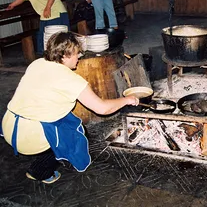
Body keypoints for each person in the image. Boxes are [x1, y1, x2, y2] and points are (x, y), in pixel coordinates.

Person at [0, 32, 139, 184]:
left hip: (9, 125)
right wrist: (127, 100)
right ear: (65, 55)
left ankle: (43, 152)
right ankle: (40, 171)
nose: (79, 56)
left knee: (67, 120)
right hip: (28, 138)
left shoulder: (37, 63)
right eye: (76, 53)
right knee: (77, 132)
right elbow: (102, 108)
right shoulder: (71, 80)